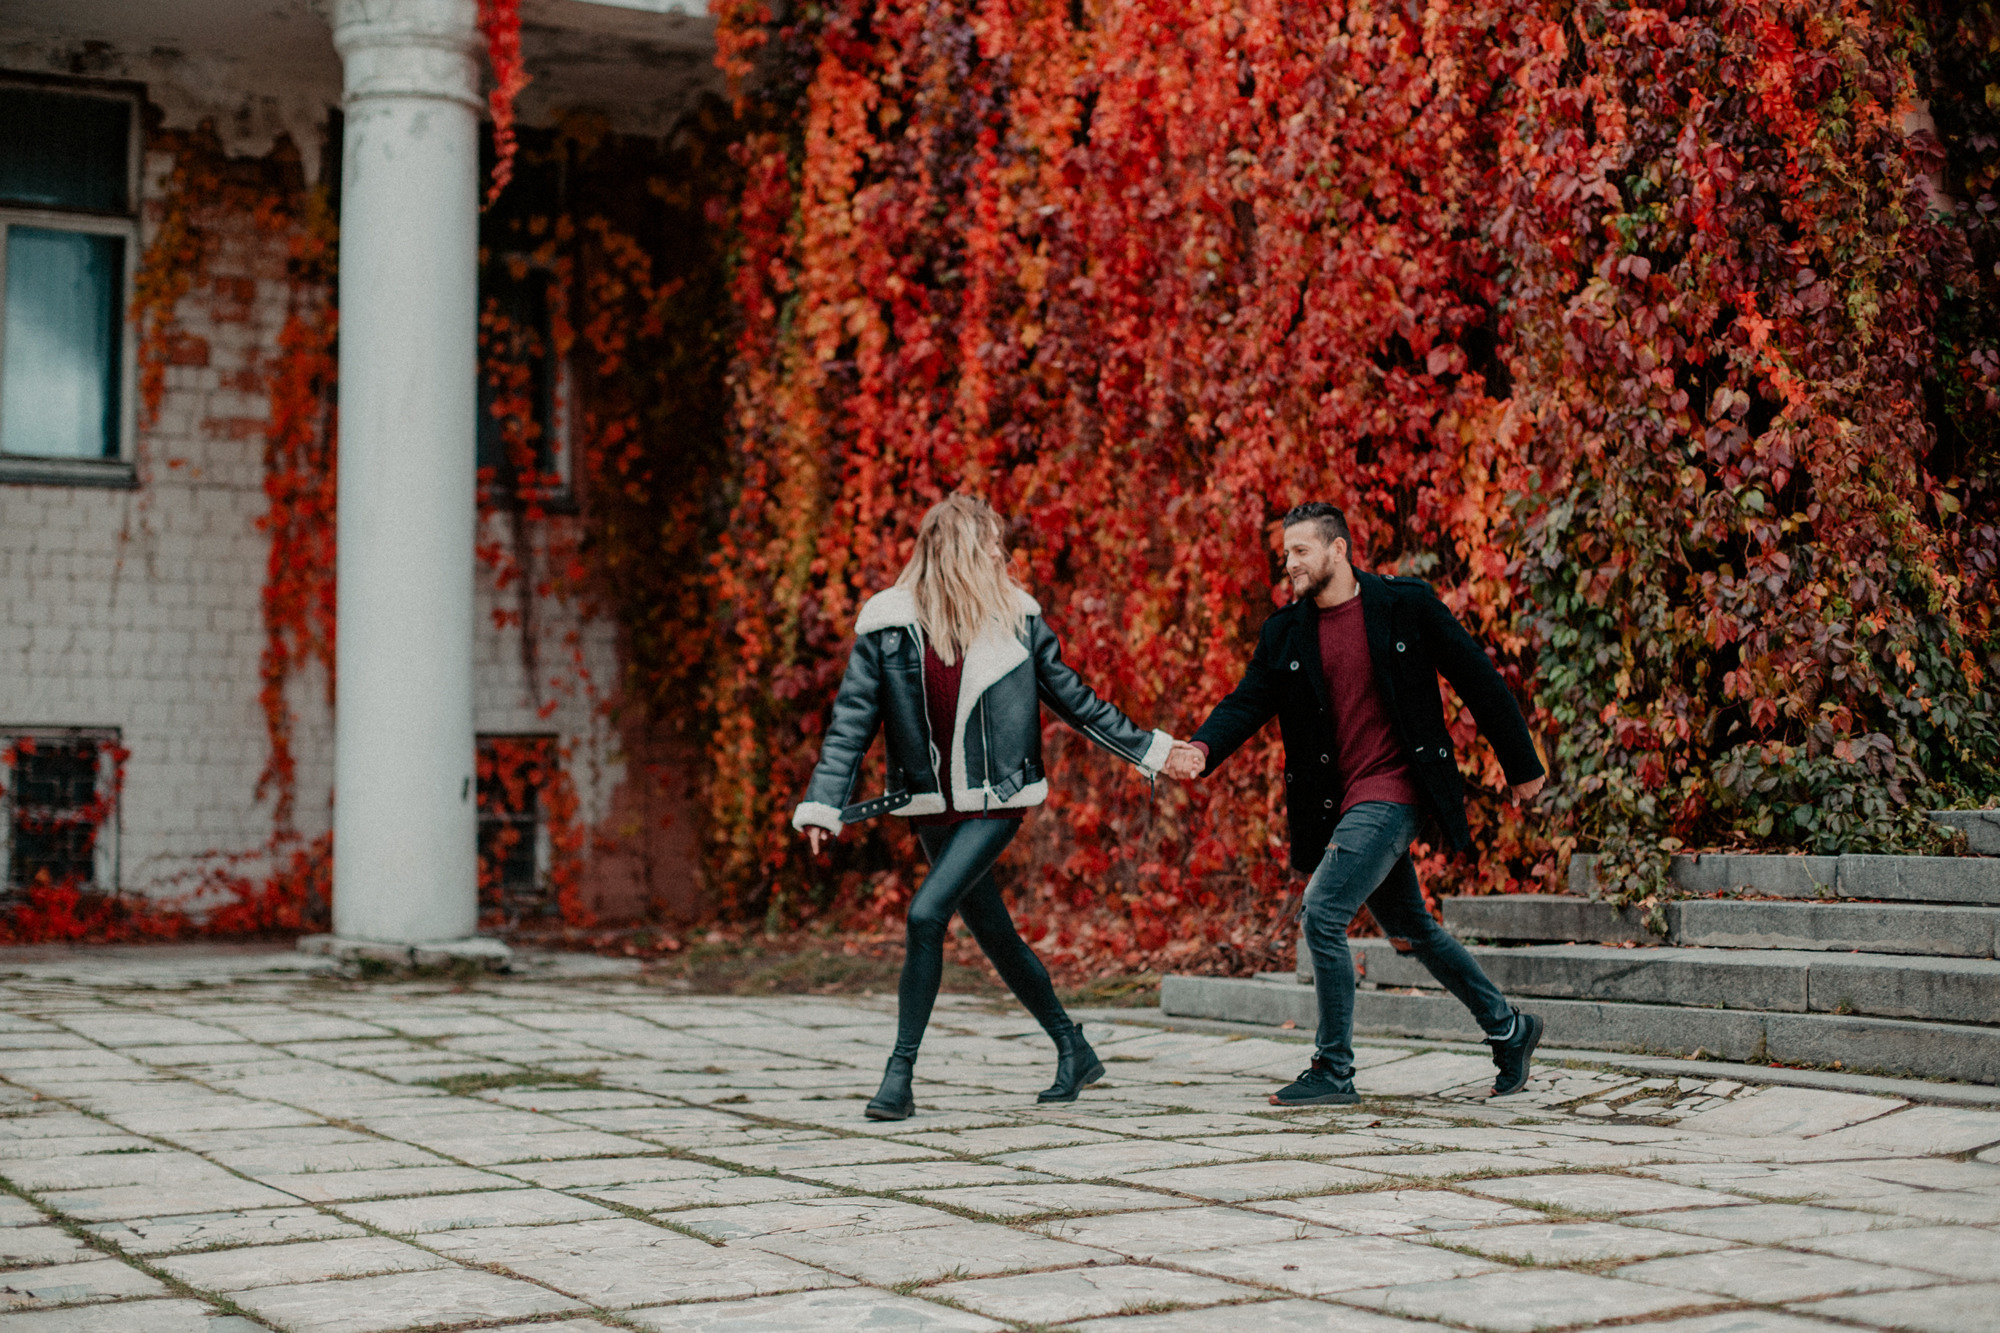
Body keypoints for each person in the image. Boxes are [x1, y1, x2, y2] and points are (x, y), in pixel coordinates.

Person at [794, 494, 1181, 1120]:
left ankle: (899, 1076)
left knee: (925, 915)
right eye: (992, 544)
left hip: (997, 800)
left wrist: (1153, 751)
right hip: (930, 806)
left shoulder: (1017, 623)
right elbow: (851, 724)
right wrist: (822, 803)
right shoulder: (889, 629)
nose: (1002, 554)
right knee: (995, 934)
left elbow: (1077, 702)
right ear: (961, 551)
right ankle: (1073, 1047)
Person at [1162, 501, 1548, 1105]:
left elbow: (1477, 676)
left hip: (1397, 788)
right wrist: (1202, 747)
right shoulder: (1286, 632)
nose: (1290, 563)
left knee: (1323, 912)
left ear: (1338, 549)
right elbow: (1246, 701)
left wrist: (1521, 764)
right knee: (1413, 930)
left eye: (1301, 550)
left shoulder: (1405, 605)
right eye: (1286, 553)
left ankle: (1333, 1069)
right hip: (1340, 804)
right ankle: (1509, 1028)